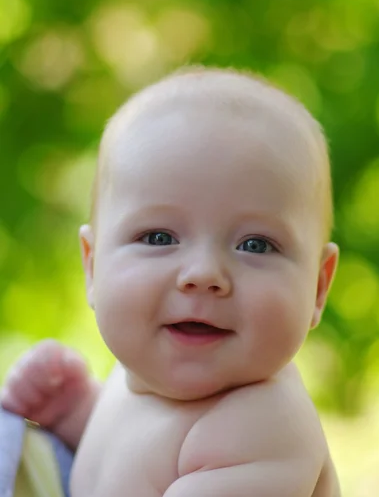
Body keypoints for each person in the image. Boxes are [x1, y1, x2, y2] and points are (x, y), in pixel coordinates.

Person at [1, 67, 341, 496]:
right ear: (92, 267)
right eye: (159, 238)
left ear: (317, 286)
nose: (202, 275)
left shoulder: (264, 430)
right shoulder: (136, 383)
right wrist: (77, 415)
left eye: (255, 245)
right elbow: (133, 466)